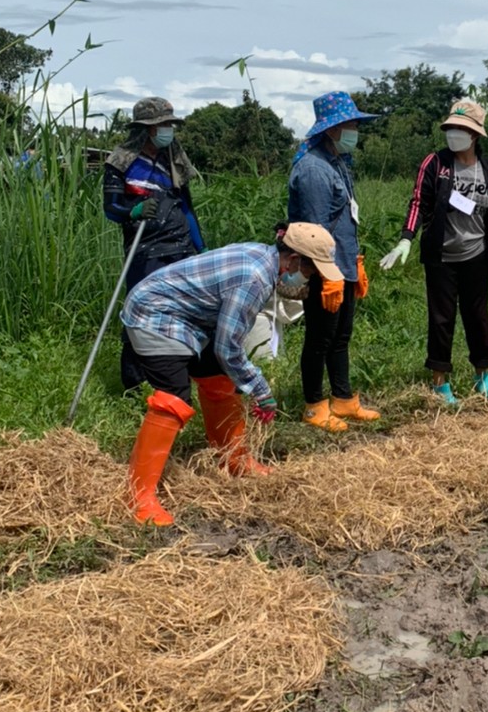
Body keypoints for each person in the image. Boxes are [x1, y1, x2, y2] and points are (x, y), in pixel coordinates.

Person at [121, 222, 339, 527]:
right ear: (292, 260)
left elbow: (225, 353)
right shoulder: (254, 278)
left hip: (189, 317)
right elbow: (227, 347)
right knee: (174, 395)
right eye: (312, 271)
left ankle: (234, 460)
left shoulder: (264, 258)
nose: (311, 277)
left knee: (220, 378)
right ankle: (138, 496)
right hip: (155, 314)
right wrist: (261, 391)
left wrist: (245, 381)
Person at [378, 99, 488, 406]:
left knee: (478, 318)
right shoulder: (435, 164)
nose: (453, 134)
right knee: (441, 319)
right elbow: (418, 203)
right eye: (450, 128)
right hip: (441, 257)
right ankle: (440, 383)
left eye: (460, 129)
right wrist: (406, 239)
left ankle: (483, 377)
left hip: (477, 255)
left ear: (475, 135)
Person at [287, 91, 379, 432]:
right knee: (319, 339)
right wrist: (327, 276)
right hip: (322, 269)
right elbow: (313, 233)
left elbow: (343, 221)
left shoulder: (336, 163)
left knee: (341, 336)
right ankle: (314, 406)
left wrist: (354, 261)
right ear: (332, 129)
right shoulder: (313, 170)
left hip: (342, 264)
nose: (355, 130)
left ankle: (343, 400)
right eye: (351, 124)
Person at [104, 97, 205, 391]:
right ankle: (135, 383)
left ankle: (178, 376)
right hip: (145, 249)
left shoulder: (173, 160)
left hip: (181, 247)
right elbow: (111, 209)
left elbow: (187, 208)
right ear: (146, 129)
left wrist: (201, 248)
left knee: (184, 311)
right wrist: (132, 211)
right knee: (142, 310)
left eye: (170, 125)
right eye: (162, 125)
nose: (167, 130)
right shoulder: (121, 163)